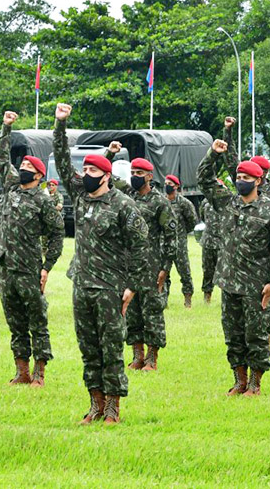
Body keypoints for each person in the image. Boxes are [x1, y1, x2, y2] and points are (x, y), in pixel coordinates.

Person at [54, 104, 148, 425]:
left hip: (110, 287)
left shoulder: (123, 204)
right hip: (82, 284)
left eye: (93, 172)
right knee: (88, 346)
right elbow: (64, 164)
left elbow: (139, 245)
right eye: (86, 172)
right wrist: (60, 125)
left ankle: (112, 407)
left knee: (110, 348)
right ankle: (94, 403)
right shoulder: (80, 196)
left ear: (106, 176)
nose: (86, 176)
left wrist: (132, 285)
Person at [198, 139, 270, 396]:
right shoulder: (227, 202)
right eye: (238, 176)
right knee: (233, 334)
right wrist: (213, 154)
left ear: (258, 181)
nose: (241, 180)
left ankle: (255, 383)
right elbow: (204, 179)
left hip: (256, 284)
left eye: (246, 177)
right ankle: (239, 380)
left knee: (257, 334)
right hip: (229, 282)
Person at [0, 111, 65, 386]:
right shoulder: (11, 189)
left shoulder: (43, 201)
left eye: (27, 169)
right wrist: (6, 128)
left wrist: (47, 267)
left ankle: (39, 372)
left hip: (29, 268)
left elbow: (57, 234)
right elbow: (1, 158)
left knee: (37, 320)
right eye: (21, 167)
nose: (21, 170)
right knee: (15, 321)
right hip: (6, 267)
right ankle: (21, 370)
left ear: (38, 175)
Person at [105, 144, 178, 372]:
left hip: (152, 265)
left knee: (152, 311)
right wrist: (111, 153)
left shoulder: (160, 202)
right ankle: (137, 355)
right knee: (132, 311)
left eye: (139, 174)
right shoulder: (127, 195)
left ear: (149, 176)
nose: (135, 177)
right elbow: (105, 175)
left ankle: (152, 358)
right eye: (133, 173)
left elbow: (171, 235)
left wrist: (165, 267)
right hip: (128, 264)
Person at [165, 174, 197, 308]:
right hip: (164, 244)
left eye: (170, 184)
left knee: (184, 272)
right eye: (165, 183)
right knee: (163, 273)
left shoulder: (184, 203)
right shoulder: (161, 201)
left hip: (180, 244)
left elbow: (192, 221)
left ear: (176, 186)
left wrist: (182, 234)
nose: (167, 186)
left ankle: (188, 298)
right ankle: (163, 300)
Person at [200, 195, 222, 304]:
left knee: (225, 272)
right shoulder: (205, 202)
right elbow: (202, 217)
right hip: (208, 242)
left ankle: (227, 298)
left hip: (222, 243)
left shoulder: (227, 203)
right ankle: (207, 297)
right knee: (207, 270)